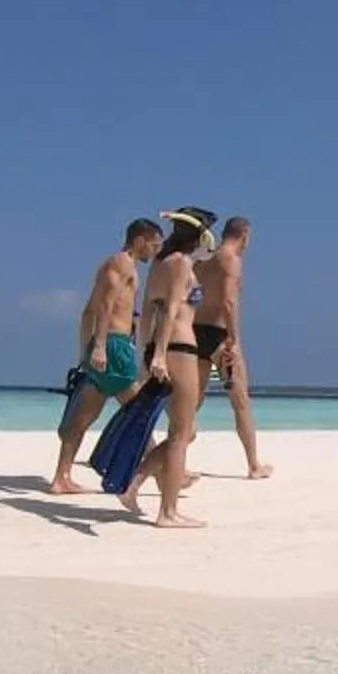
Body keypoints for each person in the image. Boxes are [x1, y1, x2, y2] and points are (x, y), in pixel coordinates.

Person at [119, 207, 219, 528]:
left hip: (166, 348)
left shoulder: (163, 263)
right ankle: (168, 512)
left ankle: (134, 486)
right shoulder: (180, 264)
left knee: (183, 431)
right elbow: (172, 310)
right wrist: (159, 354)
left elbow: (150, 310)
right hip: (179, 348)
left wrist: (148, 353)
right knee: (182, 433)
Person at [48, 218, 161, 495]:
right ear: (140, 240)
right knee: (139, 411)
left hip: (107, 346)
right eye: (154, 244)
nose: (155, 251)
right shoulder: (122, 263)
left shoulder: (113, 264)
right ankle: (167, 472)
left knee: (84, 417)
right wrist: (99, 347)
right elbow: (104, 306)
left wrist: (85, 351)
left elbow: (88, 310)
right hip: (114, 347)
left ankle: (61, 477)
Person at [193, 215, 270, 479]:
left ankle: (174, 460)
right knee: (240, 401)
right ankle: (254, 465)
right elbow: (228, 303)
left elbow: (192, 296)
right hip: (219, 336)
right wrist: (234, 341)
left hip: (195, 332)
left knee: (194, 401)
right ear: (244, 236)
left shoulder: (203, 259)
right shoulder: (231, 260)